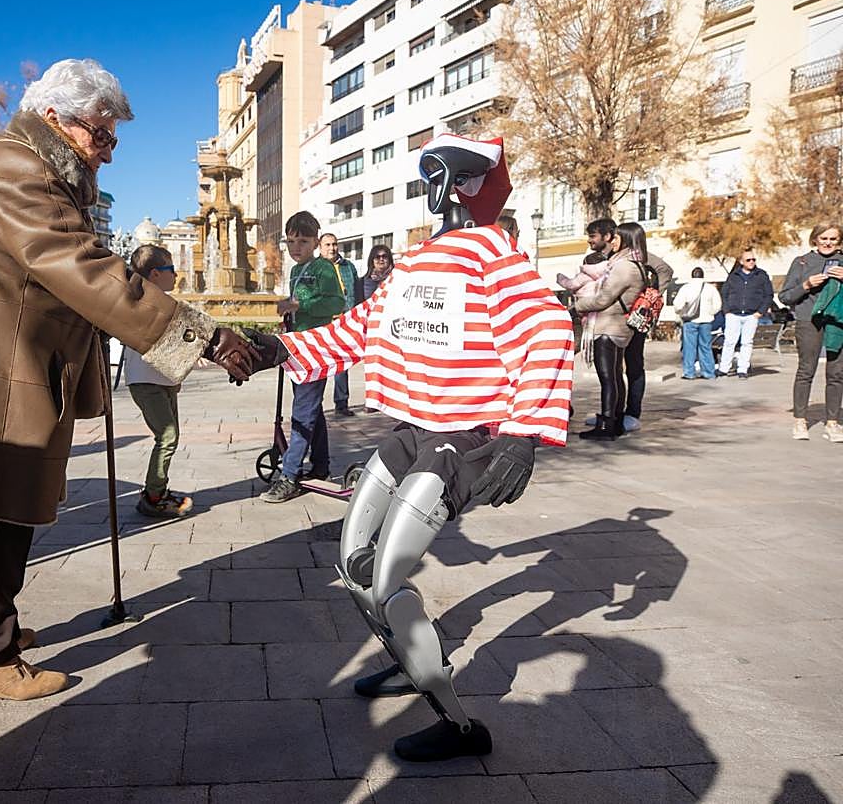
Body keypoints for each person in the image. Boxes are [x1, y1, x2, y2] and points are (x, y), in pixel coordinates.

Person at [0, 58, 256, 702]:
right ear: (53, 116)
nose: (106, 153)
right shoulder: (18, 170)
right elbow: (81, 268)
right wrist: (206, 336)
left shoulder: (15, 164)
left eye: (112, 139)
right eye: (99, 135)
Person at [242, 133, 573, 761]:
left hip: (465, 436)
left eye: (441, 173)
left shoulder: (492, 252)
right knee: (355, 561)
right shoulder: (419, 261)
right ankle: (408, 655)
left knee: (390, 574)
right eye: (429, 174)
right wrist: (278, 351)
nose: (433, 185)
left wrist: (523, 432)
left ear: (465, 185)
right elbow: (364, 327)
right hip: (413, 428)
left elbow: (548, 325)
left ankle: (458, 726)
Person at [261, 211, 345, 502]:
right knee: (311, 410)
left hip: (317, 348)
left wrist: (300, 303)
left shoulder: (323, 269)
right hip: (298, 346)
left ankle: (290, 475)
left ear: (316, 242)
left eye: (303, 241)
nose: (296, 247)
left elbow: (337, 302)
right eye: (291, 241)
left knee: (303, 412)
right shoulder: (296, 271)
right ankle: (320, 466)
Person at [123, 245, 194, 518]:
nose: (176, 275)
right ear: (155, 274)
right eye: (171, 269)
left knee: (170, 437)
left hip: (161, 380)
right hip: (145, 380)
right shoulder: (142, 302)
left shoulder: (163, 302)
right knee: (167, 436)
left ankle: (157, 491)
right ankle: (153, 496)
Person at [582, 219, 671, 431]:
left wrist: (648, 298)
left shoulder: (637, 258)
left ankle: (631, 412)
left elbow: (665, 270)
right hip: (612, 319)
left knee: (633, 364)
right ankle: (613, 414)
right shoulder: (609, 258)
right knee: (614, 370)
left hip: (631, 318)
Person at [573, 222, 649, 440]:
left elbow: (603, 298)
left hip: (609, 328)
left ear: (624, 239)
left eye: (616, 238)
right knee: (614, 375)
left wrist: (576, 307)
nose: (612, 241)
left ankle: (607, 425)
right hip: (617, 328)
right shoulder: (634, 264)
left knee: (608, 378)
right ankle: (614, 421)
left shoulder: (625, 266)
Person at [779, 224, 843, 441]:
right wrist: (806, 285)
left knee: (837, 373)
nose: (828, 243)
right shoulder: (802, 262)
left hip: (838, 321)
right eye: (823, 238)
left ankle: (832, 423)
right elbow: (785, 297)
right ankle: (800, 420)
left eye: (833, 239)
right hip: (809, 320)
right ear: (815, 239)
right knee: (806, 370)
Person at [318, 232, 362, 418]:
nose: (332, 248)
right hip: (324, 321)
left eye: (334, 244)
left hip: (345, 321)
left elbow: (357, 291)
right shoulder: (316, 268)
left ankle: (341, 403)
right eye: (327, 245)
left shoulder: (348, 266)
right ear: (320, 247)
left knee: (342, 364)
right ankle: (315, 404)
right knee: (320, 364)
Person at [717, 247, 773, 380]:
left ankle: (743, 369)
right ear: (741, 261)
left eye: (753, 259)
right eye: (748, 260)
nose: (751, 262)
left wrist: (760, 312)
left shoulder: (761, 275)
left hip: (751, 315)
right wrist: (727, 311)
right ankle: (724, 368)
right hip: (733, 314)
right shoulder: (733, 276)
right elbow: (724, 294)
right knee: (729, 342)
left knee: (747, 342)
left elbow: (768, 295)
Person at [673, 267, 721, 380]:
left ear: (692, 275)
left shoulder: (686, 288)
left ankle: (689, 373)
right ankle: (708, 372)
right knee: (706, 347)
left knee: (689, 348)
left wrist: (682, 313)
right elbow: (718, 305)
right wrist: (710, 313)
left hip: (690, 321)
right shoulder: (710, 288)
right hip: (706, 321)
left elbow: (677, 305)